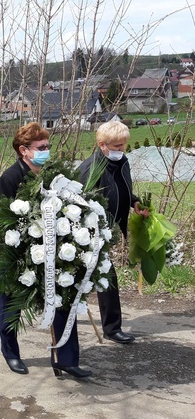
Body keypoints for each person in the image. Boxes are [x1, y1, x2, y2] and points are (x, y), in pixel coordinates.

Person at [0, 122, 91, 378]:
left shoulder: (51, 175)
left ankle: (64, 358)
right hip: (18, 254)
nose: (47, 151)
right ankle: (11, 353)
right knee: (11, 305)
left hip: (54, 251)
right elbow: (1, 221)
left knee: (62, 299)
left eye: (48, 146)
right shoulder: (9, 178)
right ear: (24, 150)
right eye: (41, 147)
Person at [79, 120, 149, 344]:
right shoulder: (90, 168)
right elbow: (80, 203)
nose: (121, 150)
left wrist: (134, 202)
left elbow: (121, 188)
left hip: (107, 232)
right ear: (102, 144)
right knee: (99, 276)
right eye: (117, 146)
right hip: (89, 233)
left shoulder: (121, 162)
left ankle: (111, 327)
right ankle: (109, 327)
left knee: (104, 277)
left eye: (123, 145)